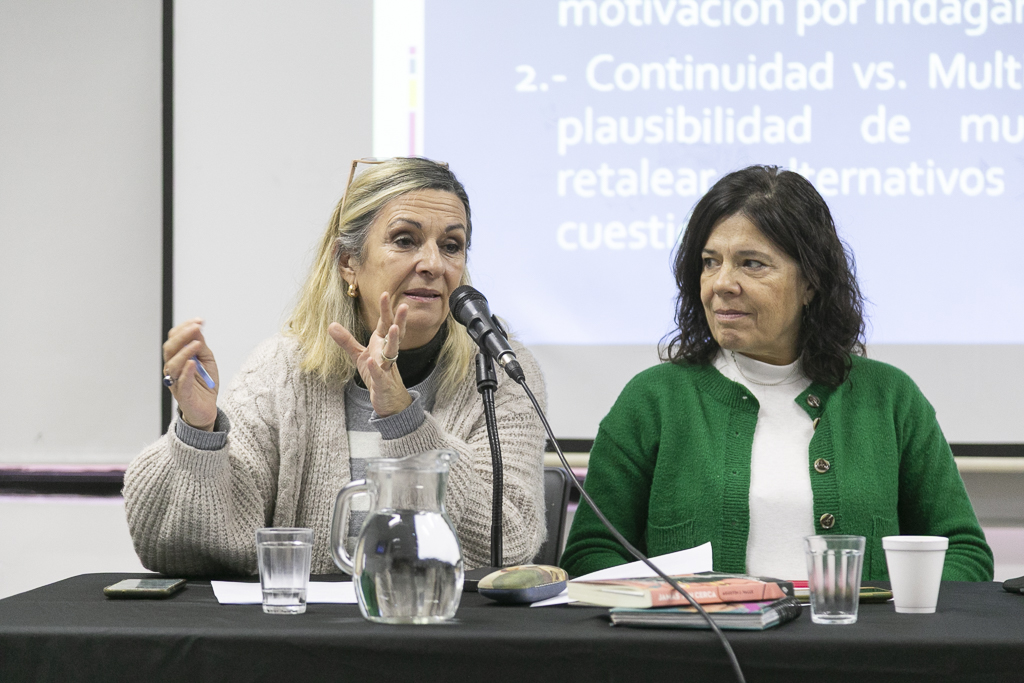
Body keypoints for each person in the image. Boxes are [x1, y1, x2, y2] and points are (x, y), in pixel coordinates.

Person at [561, 165, 993, 582]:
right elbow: (590, 554)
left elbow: (964, 551)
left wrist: (894, 613)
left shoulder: (890, 396)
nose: (721, 283)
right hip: (702, 636)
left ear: (811, 283)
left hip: (856, 636)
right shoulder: (653, 399)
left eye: (752, 263)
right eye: (710, 262)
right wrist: (675, 606)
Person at [124, 157, 547, 576]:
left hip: (435, 617)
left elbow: (506, 547)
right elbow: (178, 549)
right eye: (405, 240)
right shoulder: (283, 371)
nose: (434, 264)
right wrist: (198, 432)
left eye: (451, 246)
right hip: (308, 621)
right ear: (348, 263)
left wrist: (404, 418)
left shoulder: (499, 373)